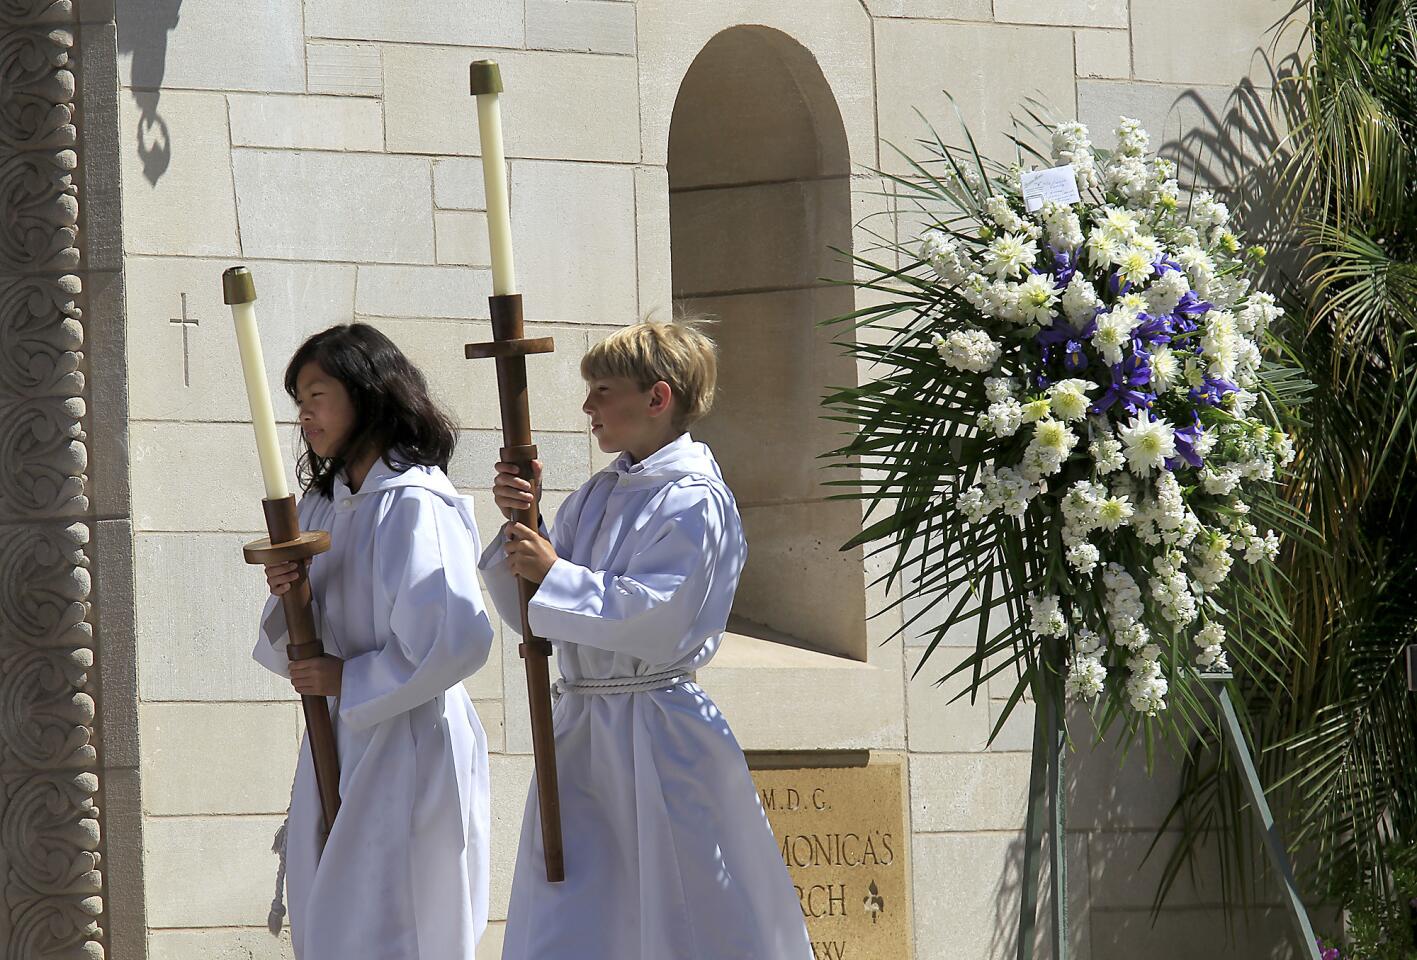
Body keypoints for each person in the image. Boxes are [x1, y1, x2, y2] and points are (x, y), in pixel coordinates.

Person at [481, 316, 812, 960]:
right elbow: (535, 609)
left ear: (657, 398)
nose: (587, 406)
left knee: (681, 910)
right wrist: (525, 525)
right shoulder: (597, 495)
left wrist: (553, 573)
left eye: (603, 390)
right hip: (583, 731)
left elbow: (662, 616)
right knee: (576, 912)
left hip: (657, 731)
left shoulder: (695, 500)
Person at [255, 323, 493, 960]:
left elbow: (457, 637)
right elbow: (299, 635)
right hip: (342, 731)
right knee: (332, 916)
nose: (303, 414)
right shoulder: (327, 503)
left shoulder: (417, 502)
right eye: (297, 399)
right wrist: (292, 594)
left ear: (368, 394)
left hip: (408, 736)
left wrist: (348, 679)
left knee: (396, 919)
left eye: (317, 395)